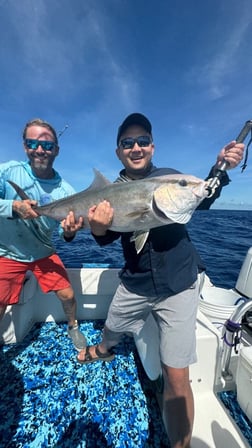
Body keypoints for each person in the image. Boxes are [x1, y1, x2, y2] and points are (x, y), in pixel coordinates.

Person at [77, 113, 245, 447]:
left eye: (142, 141)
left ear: (152, 146)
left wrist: (220, 168)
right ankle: (103, 348)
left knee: (177, 375)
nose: (136, 147)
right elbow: (106, 236)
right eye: (128, 142)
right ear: (119, 151)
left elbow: (203, 194)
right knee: (112, 326)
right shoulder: (112, 190)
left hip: (179, 285)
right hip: (136, 282)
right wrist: (95, 227)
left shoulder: (169, 177)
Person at [0, 118, 86, 352]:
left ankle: (72, 326)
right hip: (8, 252)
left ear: (56, 150)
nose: (40, 150)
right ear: (25, 146)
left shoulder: (66, 191)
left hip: (43, 252)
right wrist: (13, 208)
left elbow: (63, 231)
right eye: (33, 143)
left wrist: (68, 233)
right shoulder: (7, 171)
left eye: (47, 145)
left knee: (68, 295)